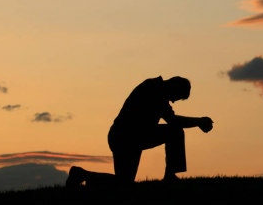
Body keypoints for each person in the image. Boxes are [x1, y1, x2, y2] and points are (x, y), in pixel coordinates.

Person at [66, 76, 213, 187]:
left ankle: (82, 174)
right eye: (177, 97)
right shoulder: (154, 90)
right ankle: (170, 176)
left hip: (129, 137)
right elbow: (173, 121)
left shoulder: (156, 90)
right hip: (127, 137)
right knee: (175, 131)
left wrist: (198, 122)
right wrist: (199, 122)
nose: (174, 101)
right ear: (173, 87)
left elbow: (172, 118)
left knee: (124, 183)